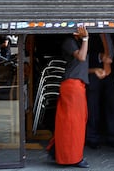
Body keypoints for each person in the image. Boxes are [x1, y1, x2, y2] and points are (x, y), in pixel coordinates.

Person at [46, 25, 106, 168]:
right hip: (72, 87)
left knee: (76, 122)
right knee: (73, 124)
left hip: (77, 86)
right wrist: (85, 38)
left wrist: (94, 70)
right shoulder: (69, 42)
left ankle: (63, 153)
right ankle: (72, 158)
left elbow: (80, 66)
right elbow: (81, 57)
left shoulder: (78, 43)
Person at [86, 33, 114, 149]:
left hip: (111, 73)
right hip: (95, 71)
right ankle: (92, 137)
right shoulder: (91, 31)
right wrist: (100, 56)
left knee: (112, 105)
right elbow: (84, 53)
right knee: (93, 105)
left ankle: (112, 137)